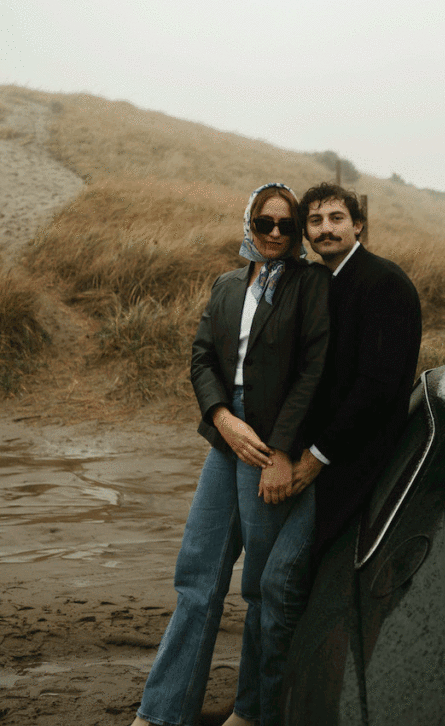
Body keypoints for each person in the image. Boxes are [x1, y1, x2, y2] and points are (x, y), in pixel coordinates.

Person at [131, 183, 330, 726]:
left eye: (284, 226)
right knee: (197, 575)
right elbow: (201, 358)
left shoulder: (309, 285)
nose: (272, 234)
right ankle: (162, 713)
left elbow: (314, 370)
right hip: (228, 434)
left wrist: (283, 448)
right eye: (263, 223)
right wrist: (222, 417)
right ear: (249, 222)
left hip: (270, 439)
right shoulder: (225, 285)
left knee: (261, 585)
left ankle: (251, 712)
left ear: (295, 235)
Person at [291, 182, 422, 557]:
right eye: (314, 221)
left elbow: (375, 387)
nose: (325, 229)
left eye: (337, 218)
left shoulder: (383, 282)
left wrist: (318, 455)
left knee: (323, 563)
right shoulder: (326, 281)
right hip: (331, 450)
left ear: (358, 225)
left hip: (359, 458)